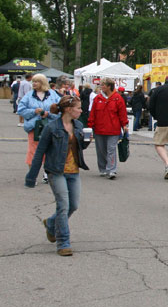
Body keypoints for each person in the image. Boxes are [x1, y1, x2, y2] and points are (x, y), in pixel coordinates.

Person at [25, 95, 91, 256]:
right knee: (63, 206)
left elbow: (81, 146)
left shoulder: (78, 125)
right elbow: (40, 151)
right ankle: (63, 243)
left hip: (74, 171)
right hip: (56, 171)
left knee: (73, 205)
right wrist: (31, 176)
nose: (81, 111)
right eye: (78, 108)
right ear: (68, 109)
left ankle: (51, 223)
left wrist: (87, 140)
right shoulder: (52, 127)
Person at [17, 73, 60, 181]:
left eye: (37, 81)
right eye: (33, 81)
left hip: (50, 126)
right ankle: (32, 175)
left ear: (43, 83)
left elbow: (60, 110)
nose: (34, 83)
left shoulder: (53, 94)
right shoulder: (29, 95)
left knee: (49, 150)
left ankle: (47, 173)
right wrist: (33, 111)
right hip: (34, 127)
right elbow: (20, 110)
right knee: (33, 151)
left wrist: (49, 114)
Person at [88, 77, 128, 180]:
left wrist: (125, 125)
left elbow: (122, 113)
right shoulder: (97, 99)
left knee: (111, 150)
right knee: (101, 150)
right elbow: (93, 113)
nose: (101, 87)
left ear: (109, 86)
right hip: (99, 129)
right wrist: (90, 125)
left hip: (113, 129)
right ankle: (103, 169)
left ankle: (111, 170)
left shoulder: (118, 98)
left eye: (103, 85)